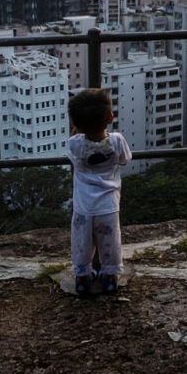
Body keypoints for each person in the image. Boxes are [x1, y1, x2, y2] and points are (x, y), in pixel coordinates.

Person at [65, 88, 132, 296]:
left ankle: (82, 278)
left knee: (82, 243)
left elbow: (74, 157)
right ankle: (109, 277)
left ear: (75, 123)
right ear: (110, 117)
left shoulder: (74, 143)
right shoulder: (117, 140)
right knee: (110, 241)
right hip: (108, 205)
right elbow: (124, 160)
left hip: (83, 206)